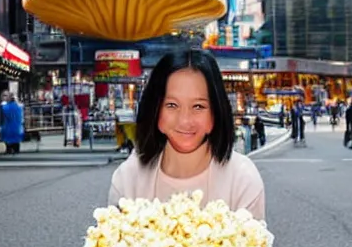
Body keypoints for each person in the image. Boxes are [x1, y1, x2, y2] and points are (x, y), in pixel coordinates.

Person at [108, 48, 265, 220]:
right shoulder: (127, 179)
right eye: (172, 105)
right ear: (155, 109)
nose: (184, 121)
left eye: (198, 106)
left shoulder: (242, 179)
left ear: (216, 111)